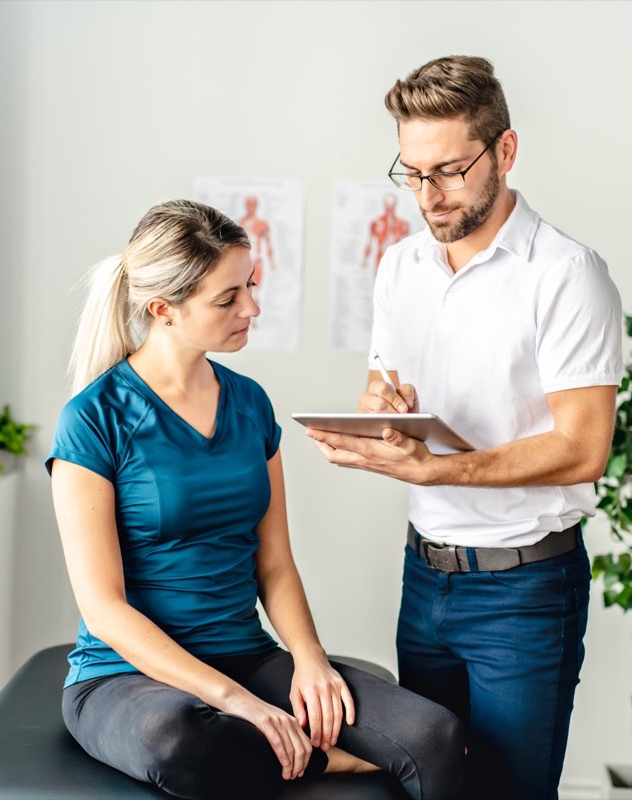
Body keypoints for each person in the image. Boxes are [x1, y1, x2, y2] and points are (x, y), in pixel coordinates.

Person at [45, 199, 465, 800]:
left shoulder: (250, 404)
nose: (252, 308)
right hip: (126, 676)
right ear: (163, 309)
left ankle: (293, 739)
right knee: (180, 738)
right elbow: (106, 609)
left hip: (245, 653)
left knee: (435, 734)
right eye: (228, 299)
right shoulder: (92, 420)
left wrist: (310, 659)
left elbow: (274, 563)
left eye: (251, 286)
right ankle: (329, 762)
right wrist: (238, 702)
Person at [306, 56, 624, 800]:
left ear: (504, 152)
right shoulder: (400, 266)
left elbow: (583, 448)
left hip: (524, 588)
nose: (428, 194)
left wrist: (436, 471)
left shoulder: (567, 274)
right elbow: (387, 384)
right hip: (425, 579)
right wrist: (382, 405)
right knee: (428, 786)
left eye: (448, 171)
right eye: (412, 174)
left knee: (507, 792)